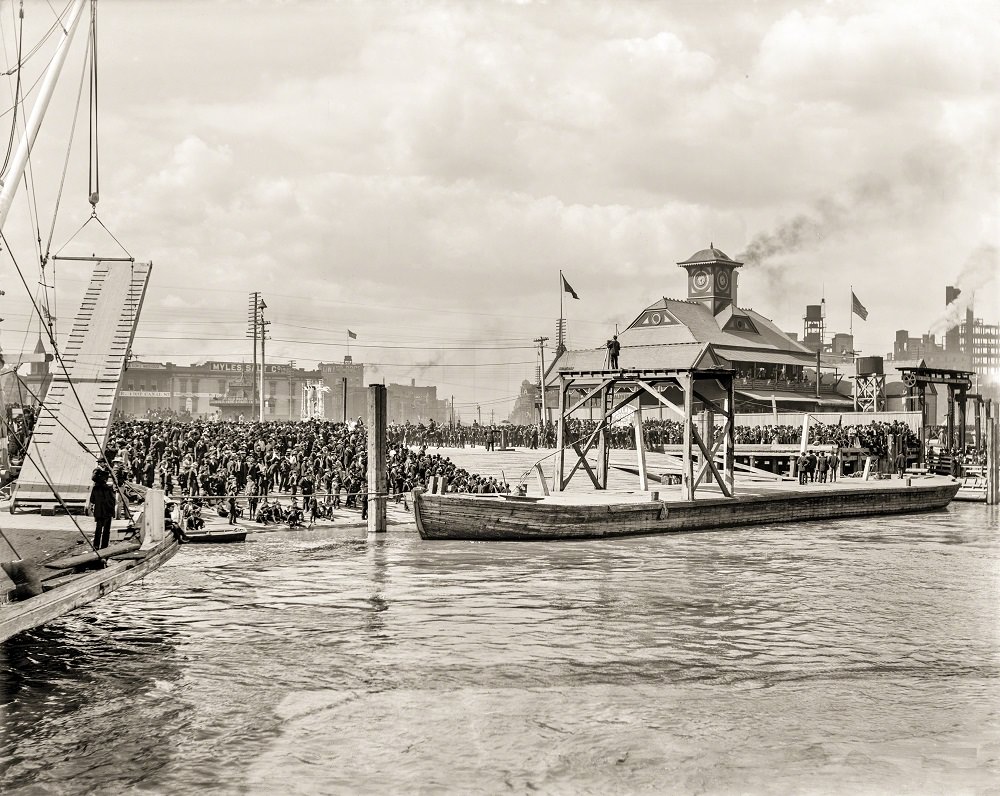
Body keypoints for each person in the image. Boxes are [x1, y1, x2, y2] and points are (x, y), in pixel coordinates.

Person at [88, 466, 117, 550]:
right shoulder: (108, 489)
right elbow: (112, 501)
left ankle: (96, 545)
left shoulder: (95, 488)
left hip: (99, 512)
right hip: (107, 512)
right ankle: (104, 546)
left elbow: (92, 500)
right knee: (106, 530)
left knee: (98, 529)